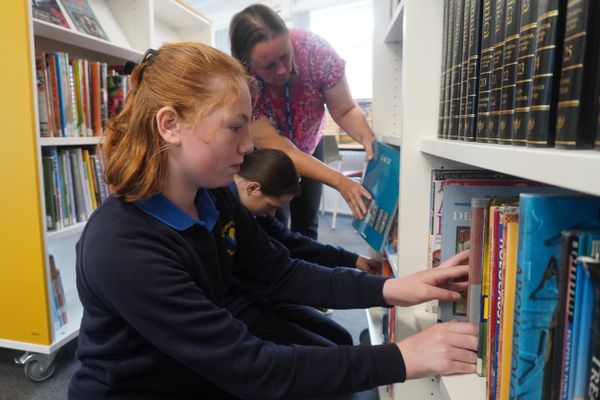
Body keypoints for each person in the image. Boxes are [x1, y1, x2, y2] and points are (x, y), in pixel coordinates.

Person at [68, 41, 478, 400]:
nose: (248, 147)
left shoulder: (215, 197)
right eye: (235, 128)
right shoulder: (123, 246)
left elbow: (280, 272)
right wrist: (406, 357)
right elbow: (252, 368)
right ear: (170, 125)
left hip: (195, 376)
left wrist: (392, 288)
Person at [230, 4, 376, 240]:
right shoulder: (241, 84)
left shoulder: (314, 50)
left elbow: (345, 108)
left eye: (285, 56)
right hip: (269, 156)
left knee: (307, 222)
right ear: (247, 64)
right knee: (273, 221)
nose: (281, 70)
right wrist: (339, 181)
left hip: (310, 145)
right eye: (268, 66)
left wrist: (368, 138)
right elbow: (284, 150)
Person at [228, 148, 380, 346]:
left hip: (261, 293)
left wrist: (353, 260)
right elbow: (282, 274)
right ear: (253, 188)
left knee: (340, 336)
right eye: (271, 207)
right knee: (327, 350)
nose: (272, 215)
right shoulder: (226, 212)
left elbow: (294, 243)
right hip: (238, 306)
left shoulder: (257, 213)